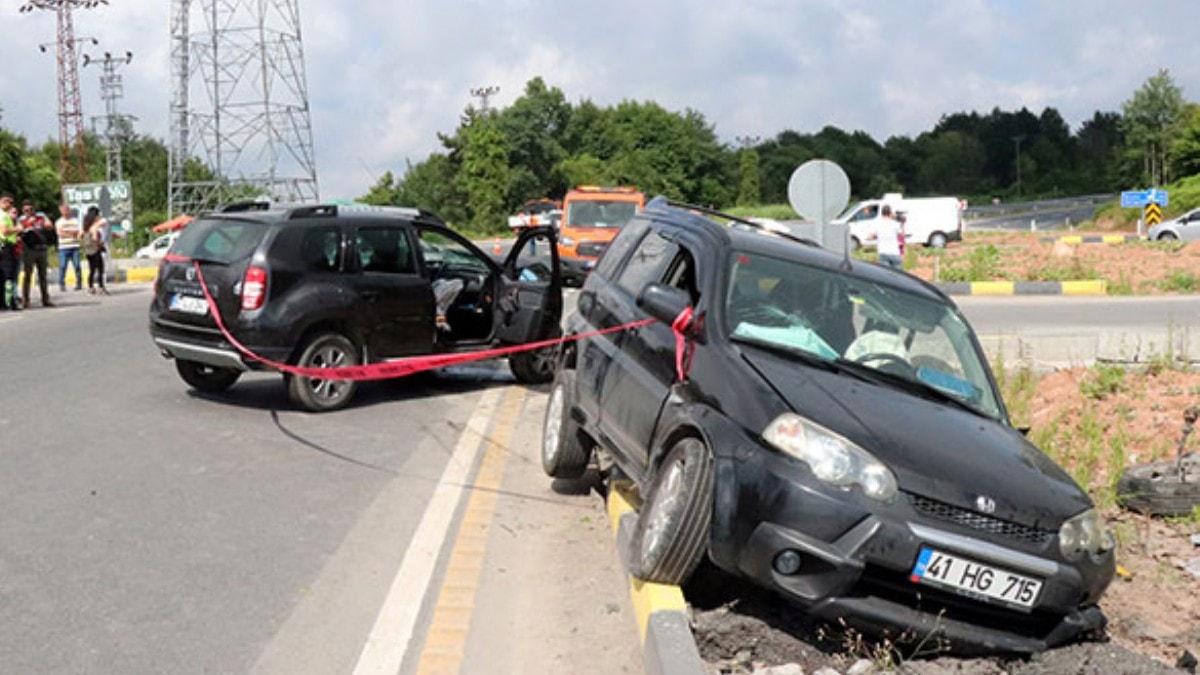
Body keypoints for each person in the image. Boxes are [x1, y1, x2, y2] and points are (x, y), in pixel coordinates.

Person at [18, 201, 55, 308]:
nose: (28, 212)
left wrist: (43, 222)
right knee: (27, 275)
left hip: (41, 248)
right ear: (23, 210)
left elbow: (49, 226)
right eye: (26, 210)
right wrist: (29, 224)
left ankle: (45, 299)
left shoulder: (40, 216)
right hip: (29, 249)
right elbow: (19, 230)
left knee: (43, 275)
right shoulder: (21, 219)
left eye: (30, 209)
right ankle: (26, 300)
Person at [82, 207, 109, 295]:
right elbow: (95, 238)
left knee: (92, 269)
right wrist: (100, 245)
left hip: (88, 250)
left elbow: (80, 235)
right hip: (95, 249)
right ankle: (101, 287)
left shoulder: (86, 225)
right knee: (100, 269)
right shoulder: (94, 226)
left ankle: (90, 287)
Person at [55, 203, 83, 292]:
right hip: (63, 247)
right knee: (63, 266)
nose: (65, 211)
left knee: (77, 265)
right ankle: (61, 284)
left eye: (67, 209)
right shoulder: (59, 222)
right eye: (63, 210)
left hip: (75, 246)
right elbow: (60, 234)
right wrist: (73, 233)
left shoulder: (76, 220)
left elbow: (80, 232)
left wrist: (68, 233)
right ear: (60, 211)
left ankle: (79, 283)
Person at [0, 195, 20, 310]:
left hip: (5, 246)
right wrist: (17, 229)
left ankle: (4, 302)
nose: (10, 205)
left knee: (4, 275)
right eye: (8, 202)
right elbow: (4, 231)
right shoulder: (3, 216)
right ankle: (10, 301)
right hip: (6, 246)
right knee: (8, 275)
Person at [875, 205, 904, 270]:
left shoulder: (878, 224)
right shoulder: (895, 224)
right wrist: (898, 220)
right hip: (894, 252)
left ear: (882, 213)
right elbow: (902, 234)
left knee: (886, 276)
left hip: (883, 252)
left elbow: (871, 236)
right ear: (890, 213)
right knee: (898, 275)